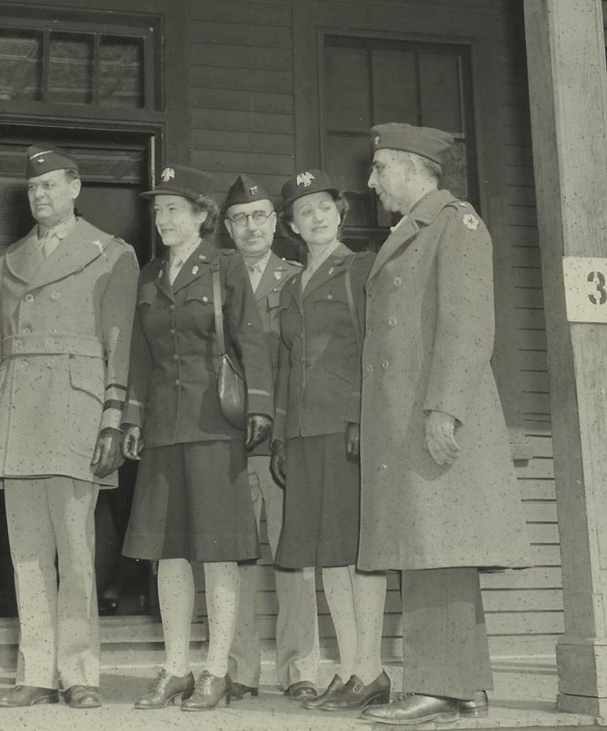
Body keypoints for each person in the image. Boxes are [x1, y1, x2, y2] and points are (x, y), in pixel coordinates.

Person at [356, 123, 530, 726]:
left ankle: (438, 686)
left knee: (438, 550)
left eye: (380, 169)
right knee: (429, 549)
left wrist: (445, 409)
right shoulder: (414, 231)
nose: (371, 181)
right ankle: (458, 685)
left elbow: (468, 324)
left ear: (411, 167)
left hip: (432, 415)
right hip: (407, 416)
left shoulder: (454, 223)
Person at [0, 144, 139, 710]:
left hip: (75, 406)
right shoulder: (5, 262)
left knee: (76, 549)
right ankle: (35, 671)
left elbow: (121, 343)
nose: (40, 195)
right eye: (33, 188)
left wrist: (113, 418)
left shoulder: (111, 254)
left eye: (50, 185)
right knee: (27, 552)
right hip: (18, 410)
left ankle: (80, 671)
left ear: (75, 188)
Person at [121, 164, 274, 712]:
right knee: (169, 555)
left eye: (173, 209)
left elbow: (251, 343)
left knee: (217, 553)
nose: (162, 219)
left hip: (215, 428)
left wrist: (259, 407)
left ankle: (215, 672)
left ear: (201, 216)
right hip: (164, 427)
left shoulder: (226, 268)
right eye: (157, 210)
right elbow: (141, 355)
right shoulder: (147, 276)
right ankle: (176, 669)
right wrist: (133, 418)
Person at [269, 169, 390, 715]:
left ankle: (371, 668)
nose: (315, 218)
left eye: (323, 207)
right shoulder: (291, 286)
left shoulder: (358, 269)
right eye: (303, 211)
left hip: (346, 427)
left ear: (340, 213)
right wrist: (279, 432)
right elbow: (287, 363)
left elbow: (373, 349)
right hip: (302, 430)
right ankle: (349, 669)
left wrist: (365, 417)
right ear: (290, 225)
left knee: (357, 553)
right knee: (326, 556)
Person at [220, 175, 320, 703]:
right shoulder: (212, 277)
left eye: (260, 216)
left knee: (292, 553)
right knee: (234, 556)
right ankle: (239, 668)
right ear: (227, 227)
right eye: (239, 218)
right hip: (228, 438)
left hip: (283, 440)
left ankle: (299, 667)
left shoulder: (298, 278)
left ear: (276, 223)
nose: (251, 227)